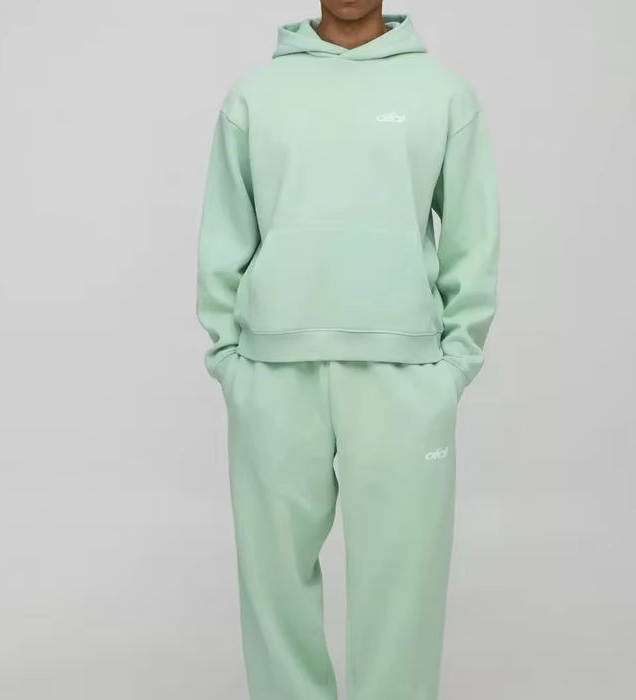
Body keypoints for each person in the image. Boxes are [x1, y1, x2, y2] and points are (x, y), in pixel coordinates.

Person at [195, 2, 499, 698]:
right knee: (275, 596)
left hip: (405, 381)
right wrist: (231, 363)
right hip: (272, 375)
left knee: (402, 599)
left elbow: (472, 243)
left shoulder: (443, 95)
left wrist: (452, 369)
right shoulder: (255, 98)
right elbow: (223, 238)